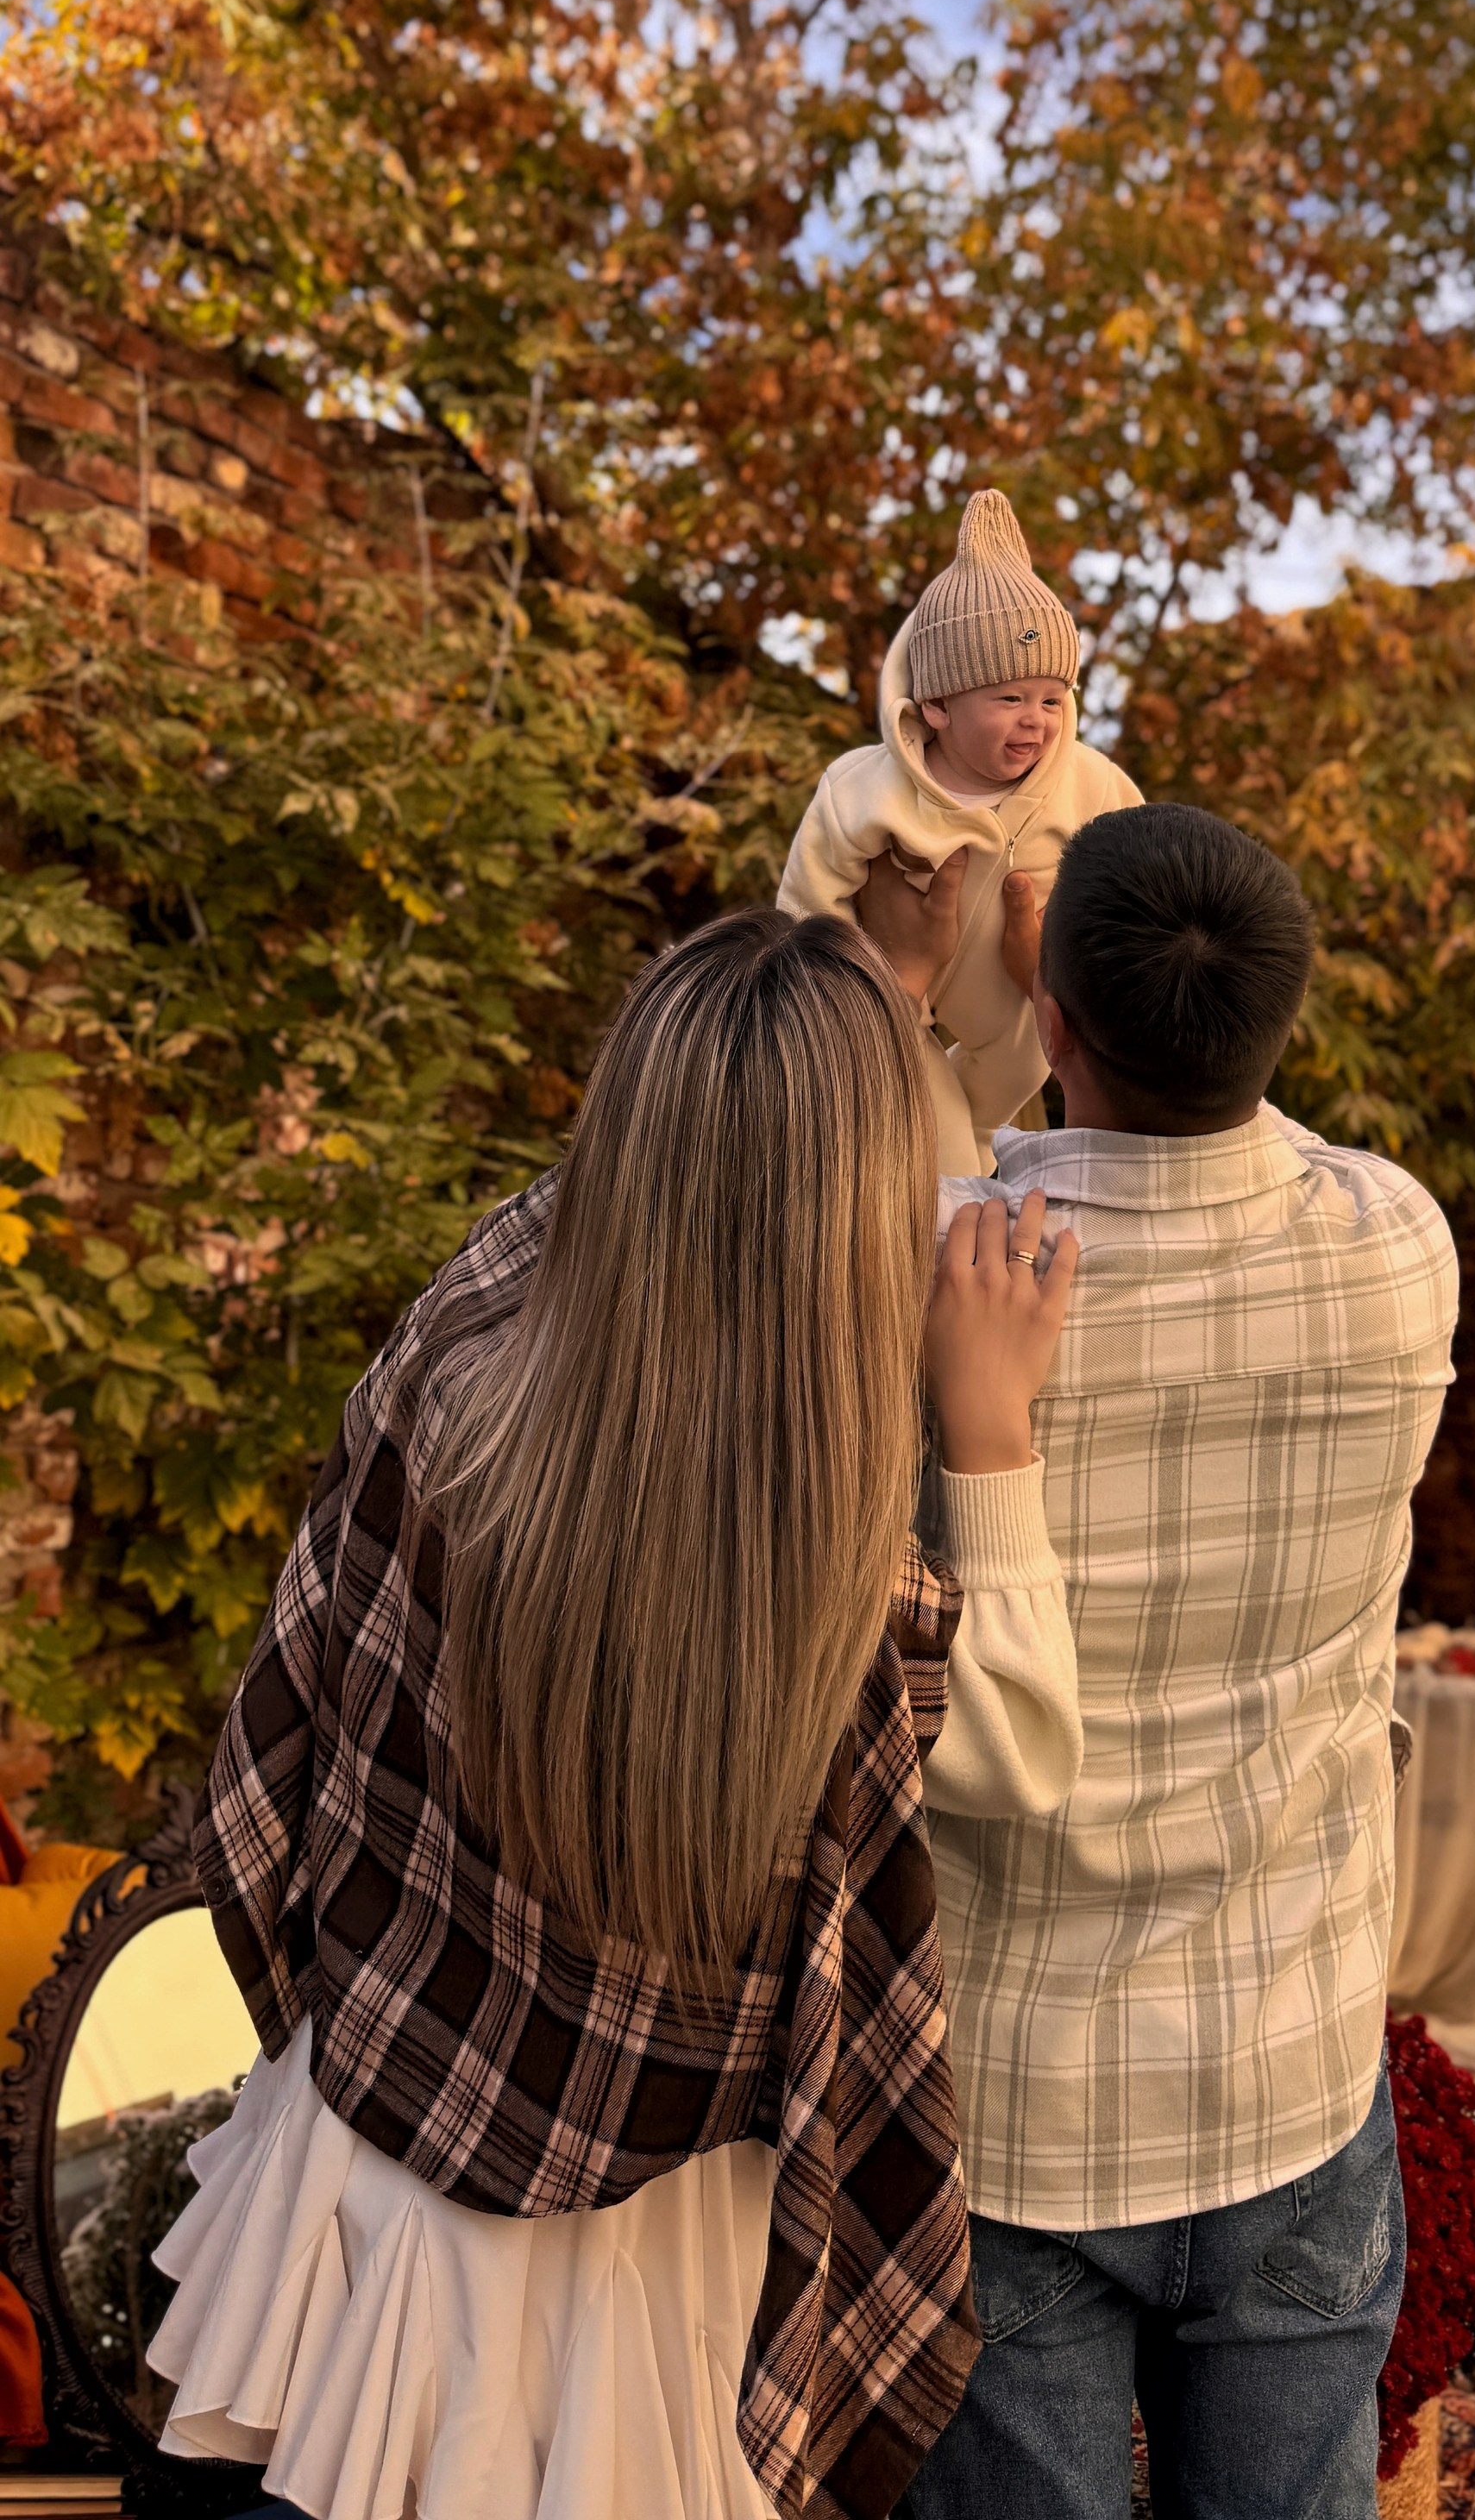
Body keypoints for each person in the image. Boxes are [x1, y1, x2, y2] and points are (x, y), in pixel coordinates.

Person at [146, 909, 1086, 2520]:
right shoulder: (844, 1592)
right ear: (861, 1213)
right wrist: (989, 1433)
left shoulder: (450, 1373)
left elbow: (289, 1731)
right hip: (642, 2290)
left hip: (366, 2165)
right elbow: (1021, 1758)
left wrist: (856, 1012)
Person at [863, 801, 1459, 2520]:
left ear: (1047, 1014)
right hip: (1289, 2054)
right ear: (1284, 1013)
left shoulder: (937, 1265)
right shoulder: (1396, 1243)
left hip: (1010, 2096)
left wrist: (899, 986)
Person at [778, 489, 1141, 1172]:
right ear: (938, 706)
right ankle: (961, 1169)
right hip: (889, 996)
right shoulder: (866, 787)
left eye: (1051, 700)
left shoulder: (1089, 783)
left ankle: (980, 1140)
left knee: (1023, 1056)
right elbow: (808, 899)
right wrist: (836, 990)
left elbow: (1139, 873)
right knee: (936, 1126)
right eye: (1008, 699)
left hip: (1018, 994)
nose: (1035, 720)